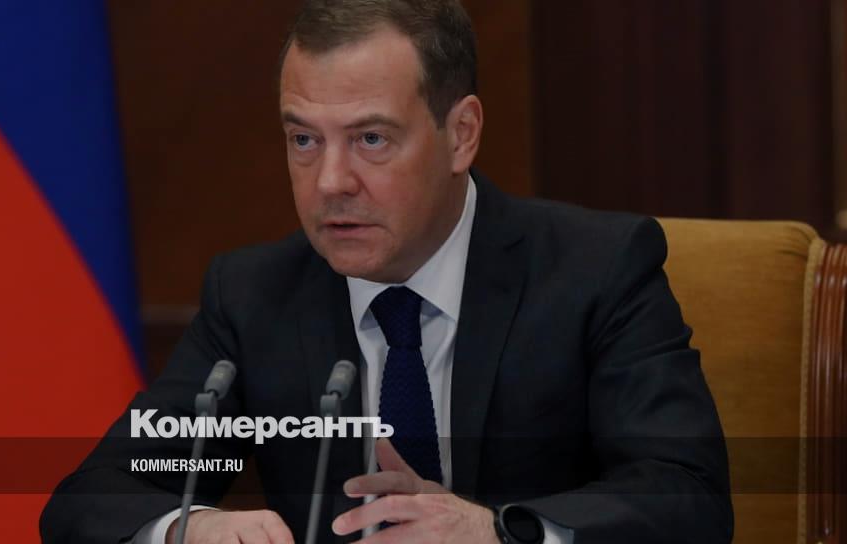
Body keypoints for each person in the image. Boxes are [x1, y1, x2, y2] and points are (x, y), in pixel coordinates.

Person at [40, 1, 733, 543]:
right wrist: (189, 528)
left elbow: (687, 495)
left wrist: (495, 532)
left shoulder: (596, 269)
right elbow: (95, 496)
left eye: (371, 139)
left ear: (461, 134)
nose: (330, 182)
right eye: (304, 139)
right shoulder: (254, 297)